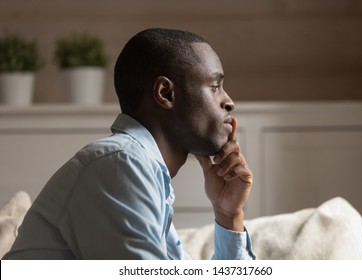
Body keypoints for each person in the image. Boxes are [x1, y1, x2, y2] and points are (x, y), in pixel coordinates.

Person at [3, 28, 256, 260]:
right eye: (215, 86)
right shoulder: (122, 163)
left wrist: (228, 215)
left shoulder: (144, 175)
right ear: (165, 94)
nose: (229, 101)